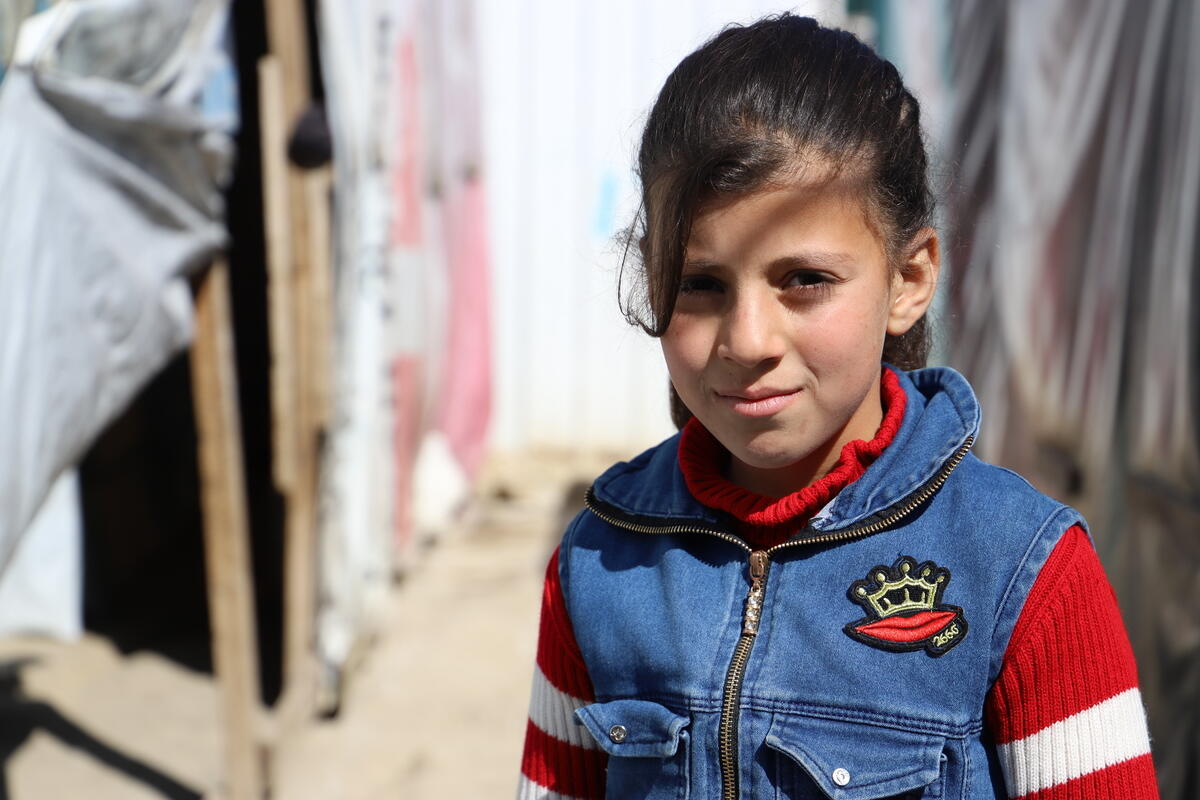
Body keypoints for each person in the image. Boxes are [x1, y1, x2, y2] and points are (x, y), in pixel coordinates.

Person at [517, 14, 1158, 800]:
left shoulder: (1025, 574)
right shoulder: (599, 562)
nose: (748, 339)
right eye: (701, 284)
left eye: (805, 280)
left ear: (910, 279)